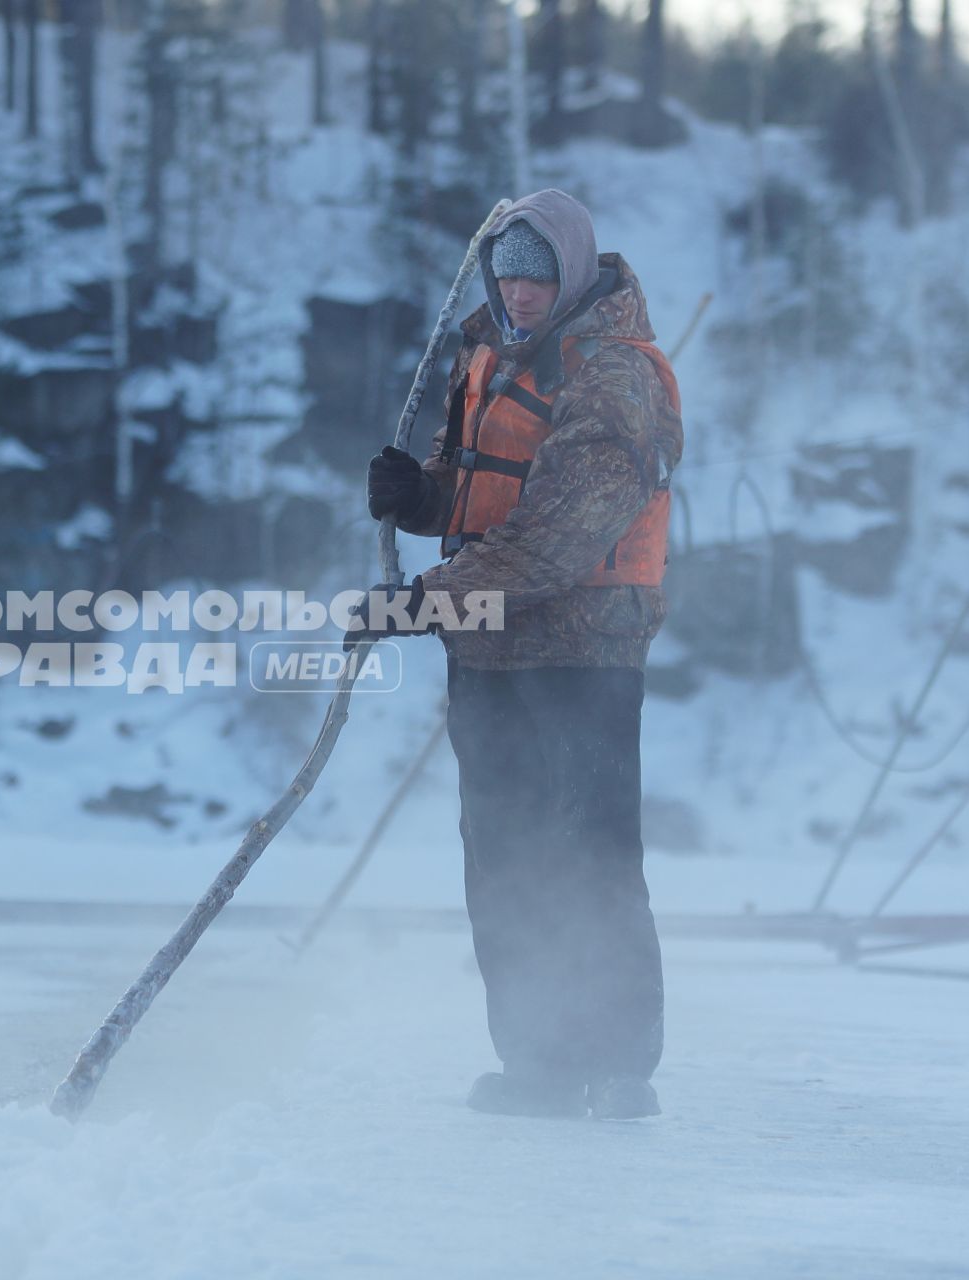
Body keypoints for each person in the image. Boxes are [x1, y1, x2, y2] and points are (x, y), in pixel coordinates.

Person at [352, 189, 684, 1121]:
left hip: (584, 652)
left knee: (589, 853)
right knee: (503, 856)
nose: (521, 292)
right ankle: (538, 1059)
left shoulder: (617, 373)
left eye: (538, 275)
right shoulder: (489, 354)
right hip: (490, 650)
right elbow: (484, 493)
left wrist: (421, 602)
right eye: (507, 274)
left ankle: (619, 1065)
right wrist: (421, 498)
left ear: (571, 271)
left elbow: (556, 538)